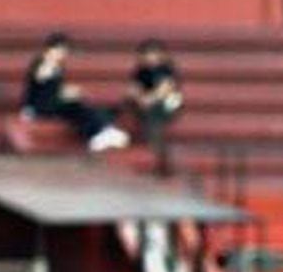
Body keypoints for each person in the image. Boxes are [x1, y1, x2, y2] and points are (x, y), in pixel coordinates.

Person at [20, 32, 128, 153]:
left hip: (51, 102)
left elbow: (53, 88)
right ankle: (101, 131)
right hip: (40, 107)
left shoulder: (57, 66)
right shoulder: (42, 63)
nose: (62, 54)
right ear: (49, 49)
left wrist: (70, 91)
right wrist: (49, 64)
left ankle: (102, 131)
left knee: (80, 108)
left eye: (63, 52)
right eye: (59, 51)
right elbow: (40, 80)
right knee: (77, 108)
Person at [126, 38, 183, 174]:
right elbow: (134, 89)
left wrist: (148, 100)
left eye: (153, 54)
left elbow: (165, 89)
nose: (150, 58)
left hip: (167, 104)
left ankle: (158, 155)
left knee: (153, 117)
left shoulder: (167, 69)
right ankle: (158, 155)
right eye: (146, 54)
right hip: (146, 105)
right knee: (147, 115)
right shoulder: (140, 71)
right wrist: (140, 98)